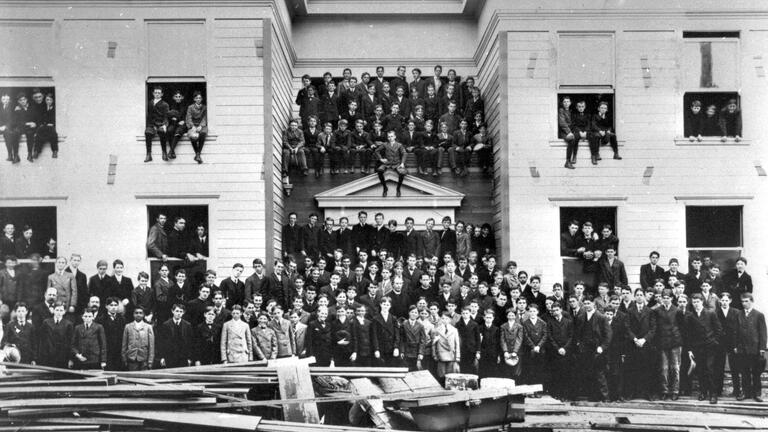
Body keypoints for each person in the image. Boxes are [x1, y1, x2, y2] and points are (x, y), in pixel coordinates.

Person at [685, 293, 723, 404]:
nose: (696, 304)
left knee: (710, 369)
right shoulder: (690, 316)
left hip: (710, 346)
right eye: (694, 302)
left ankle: (713, 394)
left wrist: (714, 341)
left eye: (698, 302)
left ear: (702, 302)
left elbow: (719, 329)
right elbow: (689, 335)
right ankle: (703, 392)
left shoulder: (710, 313)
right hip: (697, 347)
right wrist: (690, 350)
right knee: (700, 370)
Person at [574, 297, 611, 402]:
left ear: (594, 304)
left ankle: (605, 398)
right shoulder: (581, 317)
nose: (587, 305)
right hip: (584, 350)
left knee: (599, 374)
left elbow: (608, 335)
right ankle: (592, 396)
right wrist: (579, 344)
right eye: (585, 303)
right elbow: (577, 333)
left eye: (589, 303)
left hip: (597, 350)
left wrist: (602, 347)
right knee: (587, 373)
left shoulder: (601, 317)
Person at [736, 293, 766, 402]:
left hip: (755, 349)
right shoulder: (739, 314)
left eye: (746, 301)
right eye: (742, 301)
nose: (744, 304)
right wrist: (736, 346)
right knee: (744, 372)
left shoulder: (759, 315)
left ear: (752, 301)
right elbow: (736, 332)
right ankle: (746, 392)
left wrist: (762, 348)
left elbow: (763, 333)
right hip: (742, 349)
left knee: (756, 372)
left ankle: (757, 393)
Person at [714, 292, 741, 398]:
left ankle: (737, 391)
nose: (724, 302)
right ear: (720, 301)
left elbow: (739, 329)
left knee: (735, 367)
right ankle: (718, 390)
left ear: (730, 301)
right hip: (719, 343)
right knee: (718, 367)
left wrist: (737, 344)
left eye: (726, 300)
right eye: (722, 300)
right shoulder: (715, 313)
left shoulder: (736, 312)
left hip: (732, 343)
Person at [547, 303, 573, 400]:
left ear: (561, 310)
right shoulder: (550, 322)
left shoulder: (568, 322)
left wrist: (564, 348)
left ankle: (564, 395)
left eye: (557, 310)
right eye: (553, 311)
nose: (555, 312)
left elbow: (571, 336)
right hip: (555, 352)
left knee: (565, 373)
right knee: (555, 373)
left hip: (565, 352)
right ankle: (556, 394)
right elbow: (550, 337)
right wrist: (557, 348)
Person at [37, 302, 73, 368]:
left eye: (61, 310)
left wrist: (70, 358)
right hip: (48, 357)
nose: (59, 312)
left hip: (62, 358)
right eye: (57, 310)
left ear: (64, 312)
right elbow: (42, 341)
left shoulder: (68, 324)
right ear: (53, 310)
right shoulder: (46, 323)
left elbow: (70, 343)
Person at [158, 304, 194, 368]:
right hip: (170, 357)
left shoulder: (187, 325)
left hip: (183, 357)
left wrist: (189, 358)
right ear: (172, 311)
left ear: (183, 312)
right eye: (177, 311)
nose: (179, 313)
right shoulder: (166, 325)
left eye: (181, 311)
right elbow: (162, 342)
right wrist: (162, 357)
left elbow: (190, 343)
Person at [97, 297, 125, 370]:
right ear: (106, 306)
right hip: (107, 350)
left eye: (115, 305)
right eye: (111, 305)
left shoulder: (122, 319)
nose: (113, 307)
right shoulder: (101, 319)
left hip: (118, 351)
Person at [433, 310, 460, 383]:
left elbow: (457, 344)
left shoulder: (454, 330)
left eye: (447, 319)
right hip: (441, 354)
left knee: (450, 374)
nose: (444, 320)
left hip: (451, 354)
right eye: (443, 318)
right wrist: (434, 354)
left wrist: (457, 356)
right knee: (441, 374)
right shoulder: (437, 330)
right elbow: (434, 344)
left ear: (450, 320)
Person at [144, 86, 169, 162]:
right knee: (147, 132)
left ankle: (164, 152)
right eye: (155, 93)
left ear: (162, 94)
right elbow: (148, 116)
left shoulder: (165, 104)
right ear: (153, 93)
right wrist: (150, 125)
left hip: (160, 123)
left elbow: (166, 116)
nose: (157, 94)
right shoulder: (150, 103)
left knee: (162, 132)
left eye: (159, 93)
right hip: (151, 124)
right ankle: (148, 154)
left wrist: (165, 125)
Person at [12, 92, 37, 162]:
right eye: (20, 100)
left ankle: (29, 154)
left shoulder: (32, 108)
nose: (23, 101)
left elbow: (37, 119)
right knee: (15, 133)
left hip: (30, 128)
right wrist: (27, 123)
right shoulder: (17, 110)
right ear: (18, 101)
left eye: (24, 99)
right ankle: (16, 155)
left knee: (30, 133)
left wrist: (35, 124)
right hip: (21, 127)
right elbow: (16, 122)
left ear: (27, 100)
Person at [185, 91, 208, 163]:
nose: (198, 99)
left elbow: (205, 117)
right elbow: (188, 117)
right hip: (193, 125)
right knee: (193, 136)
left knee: (203, 133)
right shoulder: (190, 107)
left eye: (200, 98)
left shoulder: (204, 107)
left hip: (201, 125)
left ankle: (197, 154)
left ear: (201, 99)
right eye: (197, 98)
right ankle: (198, 155)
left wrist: (201, 125)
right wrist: (192, 126)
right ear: (194, 99)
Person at [35, 93, 58, 158]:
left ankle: (54, 151)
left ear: (53, 101)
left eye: (50, 100)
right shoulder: (43, 108)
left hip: (51, 126)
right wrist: (41, 124)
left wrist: (53, 123)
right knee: (39, 132)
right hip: (44, 126)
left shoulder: (55, 108)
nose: (48, 101)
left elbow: (57, 118)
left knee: (53, 134)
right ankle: (36, 151)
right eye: (47, 100)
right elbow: (39, 118)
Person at [0, 92, 20, 163]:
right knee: (7, 133)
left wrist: (6, 126)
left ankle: (14, 155)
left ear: (10, 100)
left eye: (7, 99)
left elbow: (14, 119)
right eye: (3, 99)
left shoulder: (13, 107)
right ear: (1, 100)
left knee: (11, 134)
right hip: (1, 127)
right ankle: (11, 155)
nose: (5, 101)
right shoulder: (0, 107)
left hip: (11, 127)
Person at [558, 96, 576, 169]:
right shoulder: (561, 110)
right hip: (564, 132)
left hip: (571, 131)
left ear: (570, 103)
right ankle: (568, 162)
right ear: (562, 103)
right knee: (572, 140)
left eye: (568, 101)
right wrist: (569, 132)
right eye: (564, 102)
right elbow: (562, 123)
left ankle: (574, 157)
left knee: (576, 137)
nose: (566, 103)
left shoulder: (571, 111)